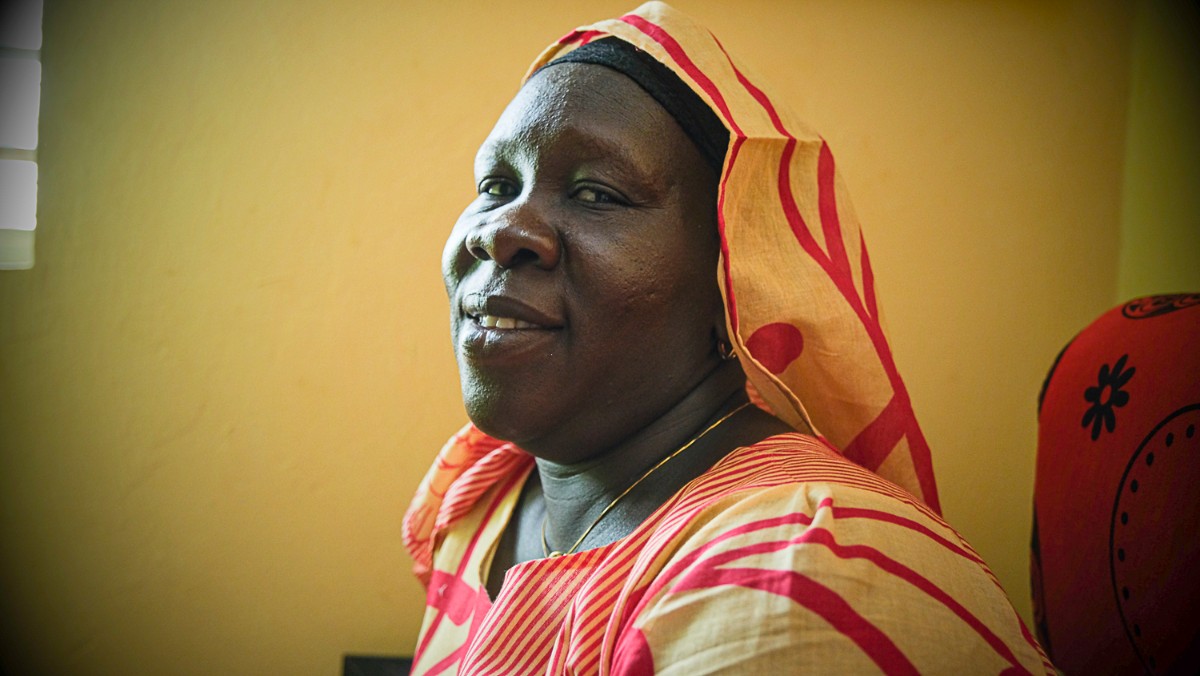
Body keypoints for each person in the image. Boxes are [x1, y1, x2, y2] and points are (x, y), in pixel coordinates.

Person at [403, 3, 1052, 673]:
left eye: (597, 193)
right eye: (496, 184)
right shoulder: (484, 502)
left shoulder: (799, 572)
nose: (501, 230)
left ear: (736, 283)